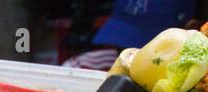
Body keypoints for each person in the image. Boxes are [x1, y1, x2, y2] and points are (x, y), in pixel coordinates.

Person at [63, 0, 200, 70]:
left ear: (190, 29)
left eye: (141, 46)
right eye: (120, 44)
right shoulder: (79, 68)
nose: (125, 55)